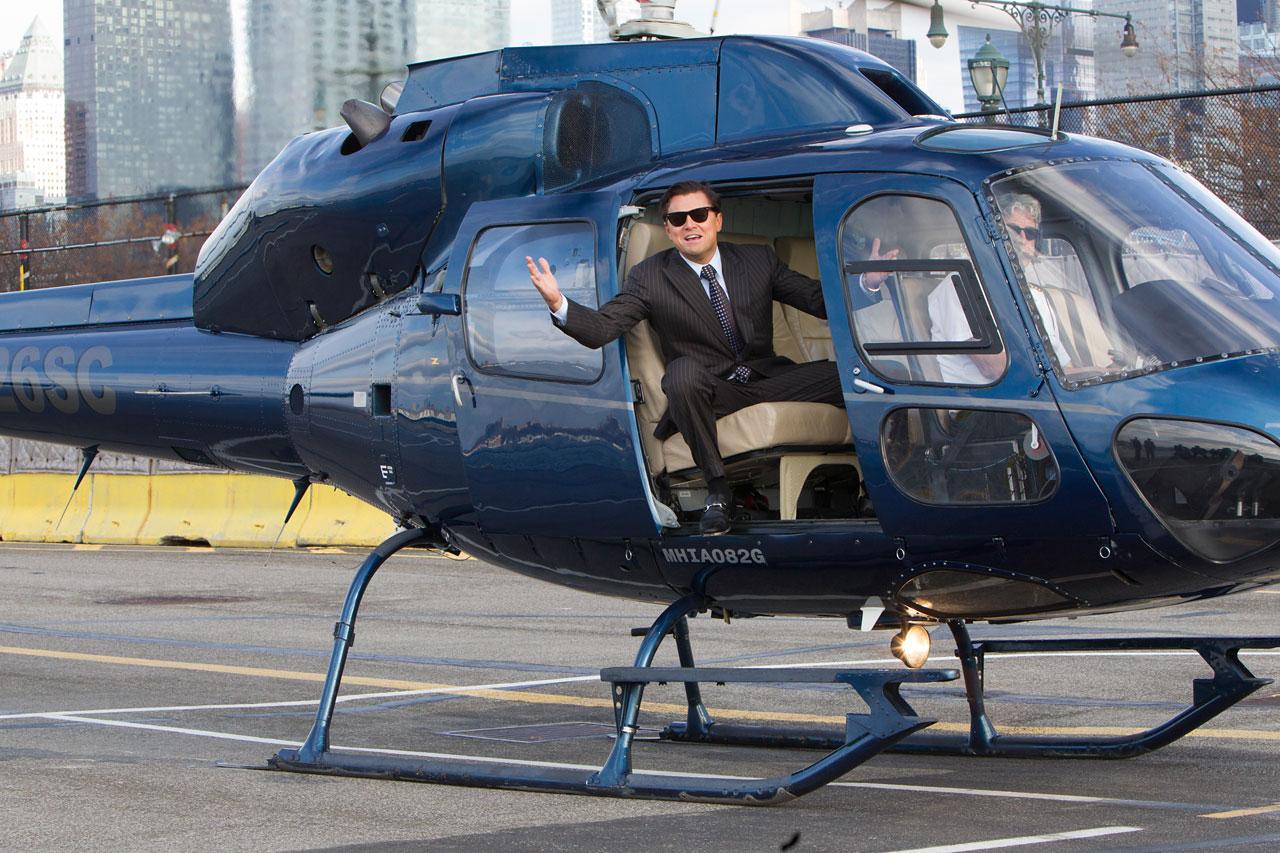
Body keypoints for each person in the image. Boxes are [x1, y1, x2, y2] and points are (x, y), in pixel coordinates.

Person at [526, 180, 841, 536]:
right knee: (682, 373)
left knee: (850, 377)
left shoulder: (758, 260)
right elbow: (602, 328)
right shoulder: (650, 276)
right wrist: (558, 303)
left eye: (699, 214)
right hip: (709, 392)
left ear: (717, 220)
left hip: (767, 380)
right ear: (668, 229)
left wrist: (870, 282)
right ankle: (717, 491)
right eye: (678, 219)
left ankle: (863, 485)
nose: (689, 224)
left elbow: (817, 301)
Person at [929, 193, 1074, 385]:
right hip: (986, 400)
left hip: (1035, 393)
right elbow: (996, 369)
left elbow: (1065, 368)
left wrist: (1098, 372)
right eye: (1013, 231)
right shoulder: (961, 285)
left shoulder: (1036, 296)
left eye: (1030, 234)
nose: (1023, 239)